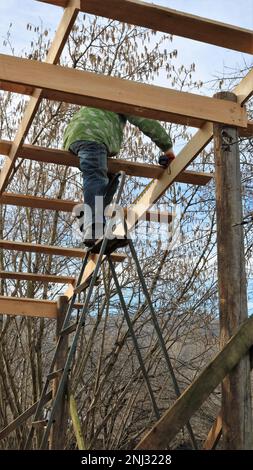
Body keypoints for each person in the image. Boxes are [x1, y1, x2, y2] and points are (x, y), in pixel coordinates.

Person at [63, 107, 175, 247]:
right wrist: (167, 148)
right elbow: (145, 120)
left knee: (111, 179)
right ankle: (94, 227)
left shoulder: (100, 98)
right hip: (93, 135)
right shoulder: (120, 98)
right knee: (96, 177)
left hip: (76, 137)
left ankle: (88, 216)